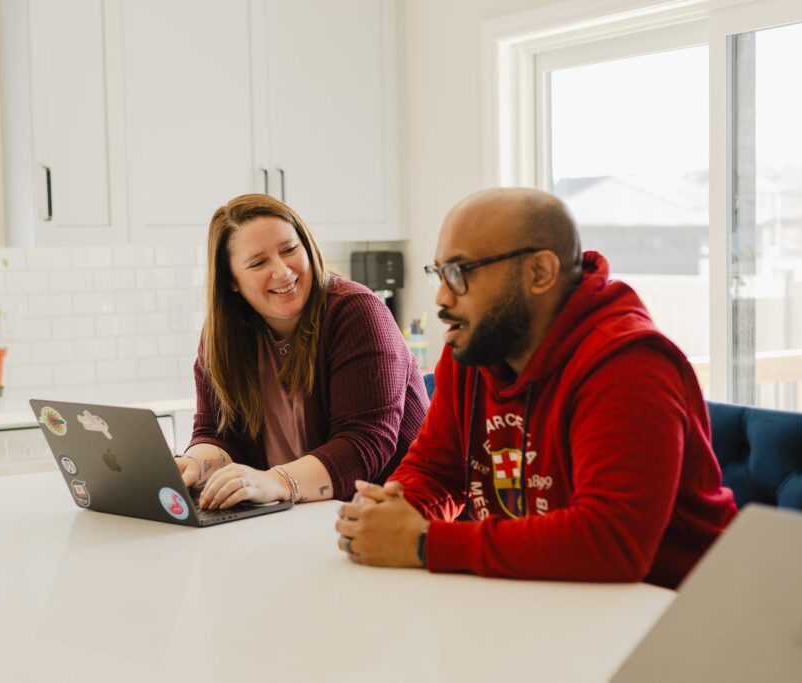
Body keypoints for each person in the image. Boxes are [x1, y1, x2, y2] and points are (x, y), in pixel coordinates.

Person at [334, 187, 737, 588]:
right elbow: (435, 471)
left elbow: (611, 542)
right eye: (439, 274)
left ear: (539, 273)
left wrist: (424, 543)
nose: (441, 297)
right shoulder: (476, 348)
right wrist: (389, 515)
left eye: (460, 274)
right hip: (548, 597)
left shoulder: (630, 363)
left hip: (679, 612)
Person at [176, 194, 429, 510]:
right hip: (298, 518)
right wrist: (194, 464)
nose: (282, 272)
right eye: (258, 262)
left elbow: (363, 445)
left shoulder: (356, 312)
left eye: (290, 250)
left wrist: (274, 482)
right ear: (232, 282)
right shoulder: (222, 335)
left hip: (389, 514)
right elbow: (216, 433)